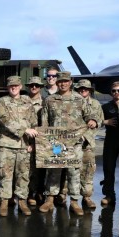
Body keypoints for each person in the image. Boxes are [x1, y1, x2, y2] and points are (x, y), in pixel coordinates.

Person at [39, 71, 98, 216]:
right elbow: (44, 120)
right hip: (56, 142)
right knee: (54, 171)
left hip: (74, 142)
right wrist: (45, 139)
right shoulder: (49, 100)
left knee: (74, 172)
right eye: (60, 81)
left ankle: (74, 202)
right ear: (57, 82)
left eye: (66, 81)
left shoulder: (79, 99)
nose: (63, 83)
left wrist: (93, 120)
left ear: (70, 82)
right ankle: (50, 199)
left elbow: (90, 114)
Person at [0, 76, 38, 216]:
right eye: (10, 86)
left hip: (24, 145)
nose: (13, 88)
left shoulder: (27, 101)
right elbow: (5, 120)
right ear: (8, 88)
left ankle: (22, 201)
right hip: (7, 144)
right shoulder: (2, 102)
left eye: (16, 85)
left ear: (20, 87)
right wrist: (24, 130)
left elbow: (34, 123)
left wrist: (32, 143)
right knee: (4, 174)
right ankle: (5, 201)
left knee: (24, 174)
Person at [101, 81, 119, 207]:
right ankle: (109, 195)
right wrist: (105, 121)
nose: (116, 93)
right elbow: (96, 119)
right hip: (111, 141)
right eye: (114, 91)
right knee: (108, 169)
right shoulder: (106, 107)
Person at [74, 79, 104, 209]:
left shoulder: (96, 104)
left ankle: (86, 197)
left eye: (85, 89)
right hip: (72, 143)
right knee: (68, 170)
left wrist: (86, 134)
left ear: (90, 90)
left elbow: (99, 122)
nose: (83, 91)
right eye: (80, 89)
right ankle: (65, 197)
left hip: (87, 143)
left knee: (88, 171)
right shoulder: (73, 102)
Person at [26, 76, 46, 205]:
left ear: (40, 87)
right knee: (27, 169)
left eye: (37, 86)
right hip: (25, 139)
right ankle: (29, 194)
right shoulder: (23, 101)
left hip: (41, 140)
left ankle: (39, 192)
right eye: (32, 85)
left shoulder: (46, 102)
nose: (34, 87)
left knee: (41, 169)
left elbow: (46, 125)